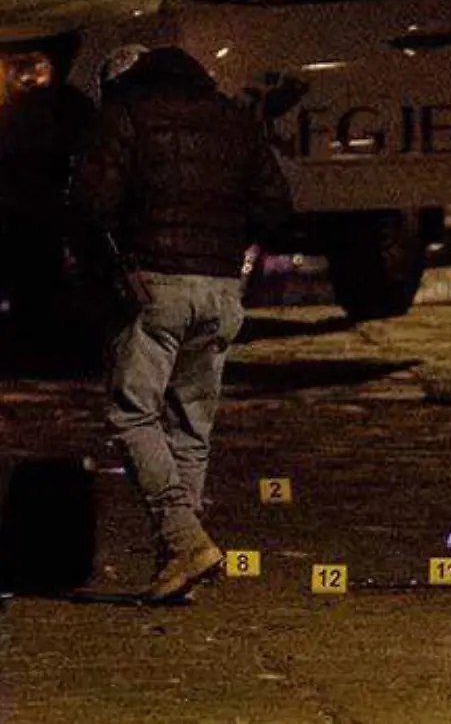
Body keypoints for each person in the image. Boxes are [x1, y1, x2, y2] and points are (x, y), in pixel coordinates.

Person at [73, 47, 291, 602]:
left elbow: (89, 204)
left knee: (131, 414)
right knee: (191, 428)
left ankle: (182, 534)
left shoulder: (123, 116)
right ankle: (178, 563)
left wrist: (110, 272)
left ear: (118, 84)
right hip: (220, 290)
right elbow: (276, 209)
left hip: (154, 284)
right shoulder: (233, 117)